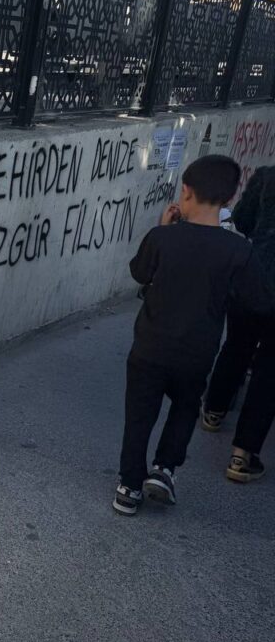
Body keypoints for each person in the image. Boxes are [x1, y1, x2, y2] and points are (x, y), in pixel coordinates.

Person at [114, 156, 274, 516]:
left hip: (149, 348)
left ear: (186, 192)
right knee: (185, 409)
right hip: (196, 353)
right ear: (229, 199)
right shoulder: (239, 251)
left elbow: (140, 273)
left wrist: (163, 228)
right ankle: (165, 468)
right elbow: (258, 300)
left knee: (139, 415)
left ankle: (128, 486)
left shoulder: (162, 237)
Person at [200, 165, 275, 482]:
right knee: (270, 370)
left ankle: (213, 411)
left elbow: (242, 220)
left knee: (236, 346)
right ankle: (242, 455)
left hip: (253, 276)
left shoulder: (267, 176)